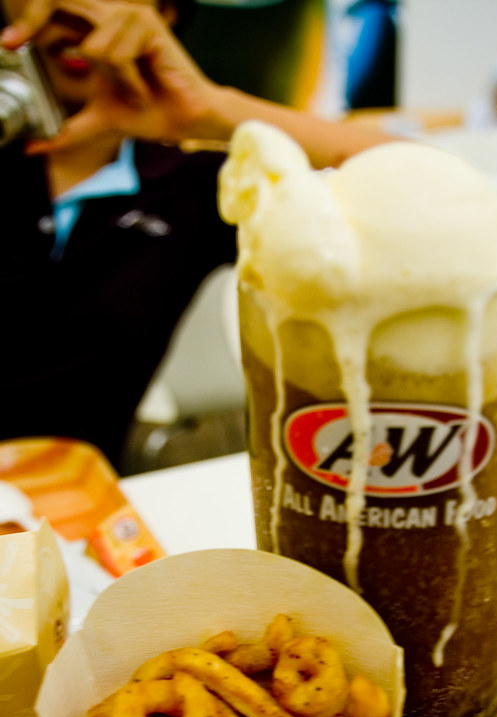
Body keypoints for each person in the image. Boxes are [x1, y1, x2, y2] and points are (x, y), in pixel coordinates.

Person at [0, 0, 392, 470]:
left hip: (75, 488)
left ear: (165, 12)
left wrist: (209, 108)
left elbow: (432, 190)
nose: (75, 14)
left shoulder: (195, 184)